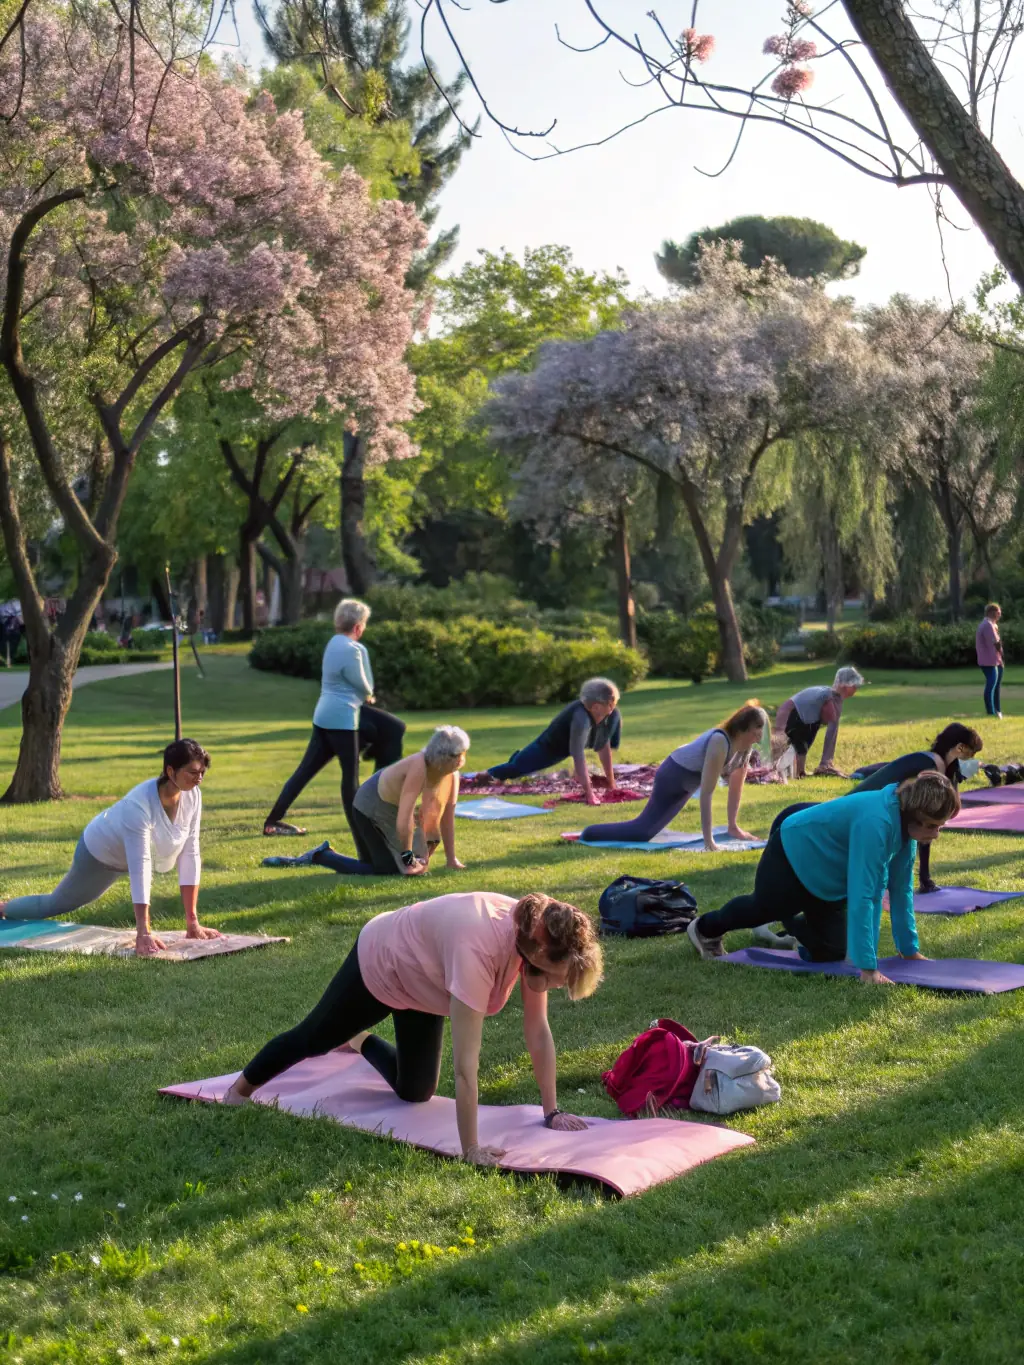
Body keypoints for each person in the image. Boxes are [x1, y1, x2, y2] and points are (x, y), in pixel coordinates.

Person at [221, 890, 604, 1163]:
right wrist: (470, 1149)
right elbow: (466, 1067)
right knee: (313, 1039)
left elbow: (537, 1030)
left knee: (416, 1090)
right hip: (385, 960)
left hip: (427, 983)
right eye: (558, 977)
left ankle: (359, 1039)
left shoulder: (533, 938)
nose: (557, 985)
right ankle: (238, 1091)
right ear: (540, 955)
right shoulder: (482, 949)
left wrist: (551, 1112)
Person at [686, 772, 961, 983]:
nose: (936, 834)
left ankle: (792, 922)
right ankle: (705, 928)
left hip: (830, 876)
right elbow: (864, 893)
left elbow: (901, 890)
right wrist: (868, 968)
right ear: (916, 815)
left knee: (832, 950)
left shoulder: (904, 830)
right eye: (934, 826)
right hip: (794, 851)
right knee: (764, 907)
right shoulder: (876, 822)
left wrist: (909, 951)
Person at [0, 739, 221, 958]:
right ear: (170, 771)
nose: (199, 779)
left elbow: (190, 852)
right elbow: (140, 865)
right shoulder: (139, 805)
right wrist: (143, 933)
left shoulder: (193, 795)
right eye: (193, 772)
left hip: (124, 858)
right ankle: (3, 908)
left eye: (202, 772)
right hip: (99, 853)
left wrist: (193, 923)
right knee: (55, 904)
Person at [263, 598, 407, 836]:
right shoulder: (353, 649)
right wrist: (369, 695)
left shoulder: (333, 642)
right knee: (351, 774)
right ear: (359, 626)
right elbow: (364, 685)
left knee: (304, 772)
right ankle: (366, 825)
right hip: (343, 717)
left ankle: (273, 821)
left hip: (324, 715)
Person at [265, 726, 470, 877]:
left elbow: (447, 815)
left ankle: (331, 857)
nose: (463, 759)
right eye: (460, 755)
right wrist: (407, 861)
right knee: (388, 870)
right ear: (446, 757)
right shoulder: (419, 767)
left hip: (389, 809)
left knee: (379, 863)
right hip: (368, 806)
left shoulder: (451, 774)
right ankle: (321, 855)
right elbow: (404, 818)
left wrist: (451, 860)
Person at [579, 702, 768, 852]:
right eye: (758, 727)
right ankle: (589, 832)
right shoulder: (720, 741)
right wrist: (708, 841)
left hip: (685, 784)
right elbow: (706, 793)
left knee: (646, 831)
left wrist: (733, 826)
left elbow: (736, 788)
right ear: (744, 727)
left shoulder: (745, 748)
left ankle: (591, 832)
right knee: (641, 831)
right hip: (672, 776)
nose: (761, 733)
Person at [852, 723, 983, 892]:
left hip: (871, 811)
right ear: (960, 747)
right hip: (863, 809)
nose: (972, 759)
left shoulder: (939, 766)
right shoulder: (929, 766)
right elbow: (922, 817)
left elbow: (931, 820)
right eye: (971, 754)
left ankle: (921, 880)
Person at [487, 678, 621, 806]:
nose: (613, 708)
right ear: (596, 707)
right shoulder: (581, 719)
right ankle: (487, 773)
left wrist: (611, 783)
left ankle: (516, 760)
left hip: (568, 746)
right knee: (516, 768)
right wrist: (590, 794)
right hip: (548, 749)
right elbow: (578, 757)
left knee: (612, 721)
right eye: (610, 705)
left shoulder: (605, 715)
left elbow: (603, 745)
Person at [772, 667, 865, 778]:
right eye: (854, 685)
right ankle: (772, 769)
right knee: (783, 743)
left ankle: (800, 772)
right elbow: (832, 725)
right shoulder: (828, 696)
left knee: (803, 744)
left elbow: (831, 732)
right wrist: (825, 762)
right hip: (791, 712)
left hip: (808, 717)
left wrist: (826, 762)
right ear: (845, 685)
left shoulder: (835, 700)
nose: (856, 688)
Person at [976, 603, 1004, 718]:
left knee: (996, 686)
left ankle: (997, 710)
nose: (1000, 615)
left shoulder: (992, 625)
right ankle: (991, 711)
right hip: (989, 661)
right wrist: (1002, 655)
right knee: (991, 685)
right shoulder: (988, 625)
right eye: (998, 612)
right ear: (992, 612)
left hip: (994, 660)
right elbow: (996, 643)